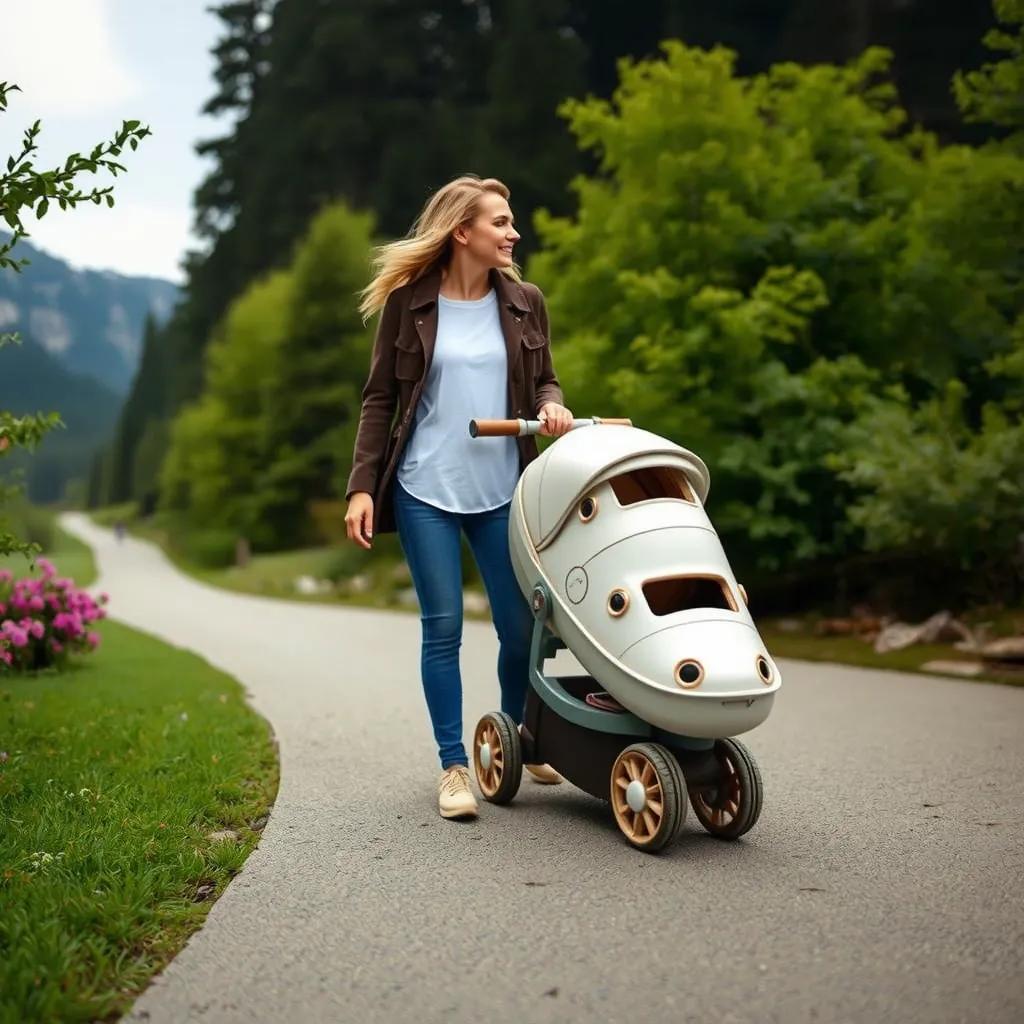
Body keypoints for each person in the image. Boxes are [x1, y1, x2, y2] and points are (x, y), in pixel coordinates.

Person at [344, 175, 574, 820]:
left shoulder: (526, 300)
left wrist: (552, 407)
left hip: (504, 489)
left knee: (520, 628)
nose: (513, 233)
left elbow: (545, 380)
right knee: (442, 628)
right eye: (500, 222)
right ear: (462, 232)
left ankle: (512, 742)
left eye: (511, 222)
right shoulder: (410, 304)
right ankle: (453, 766)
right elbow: (379, 400)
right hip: (424, 488)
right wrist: (362, 487)